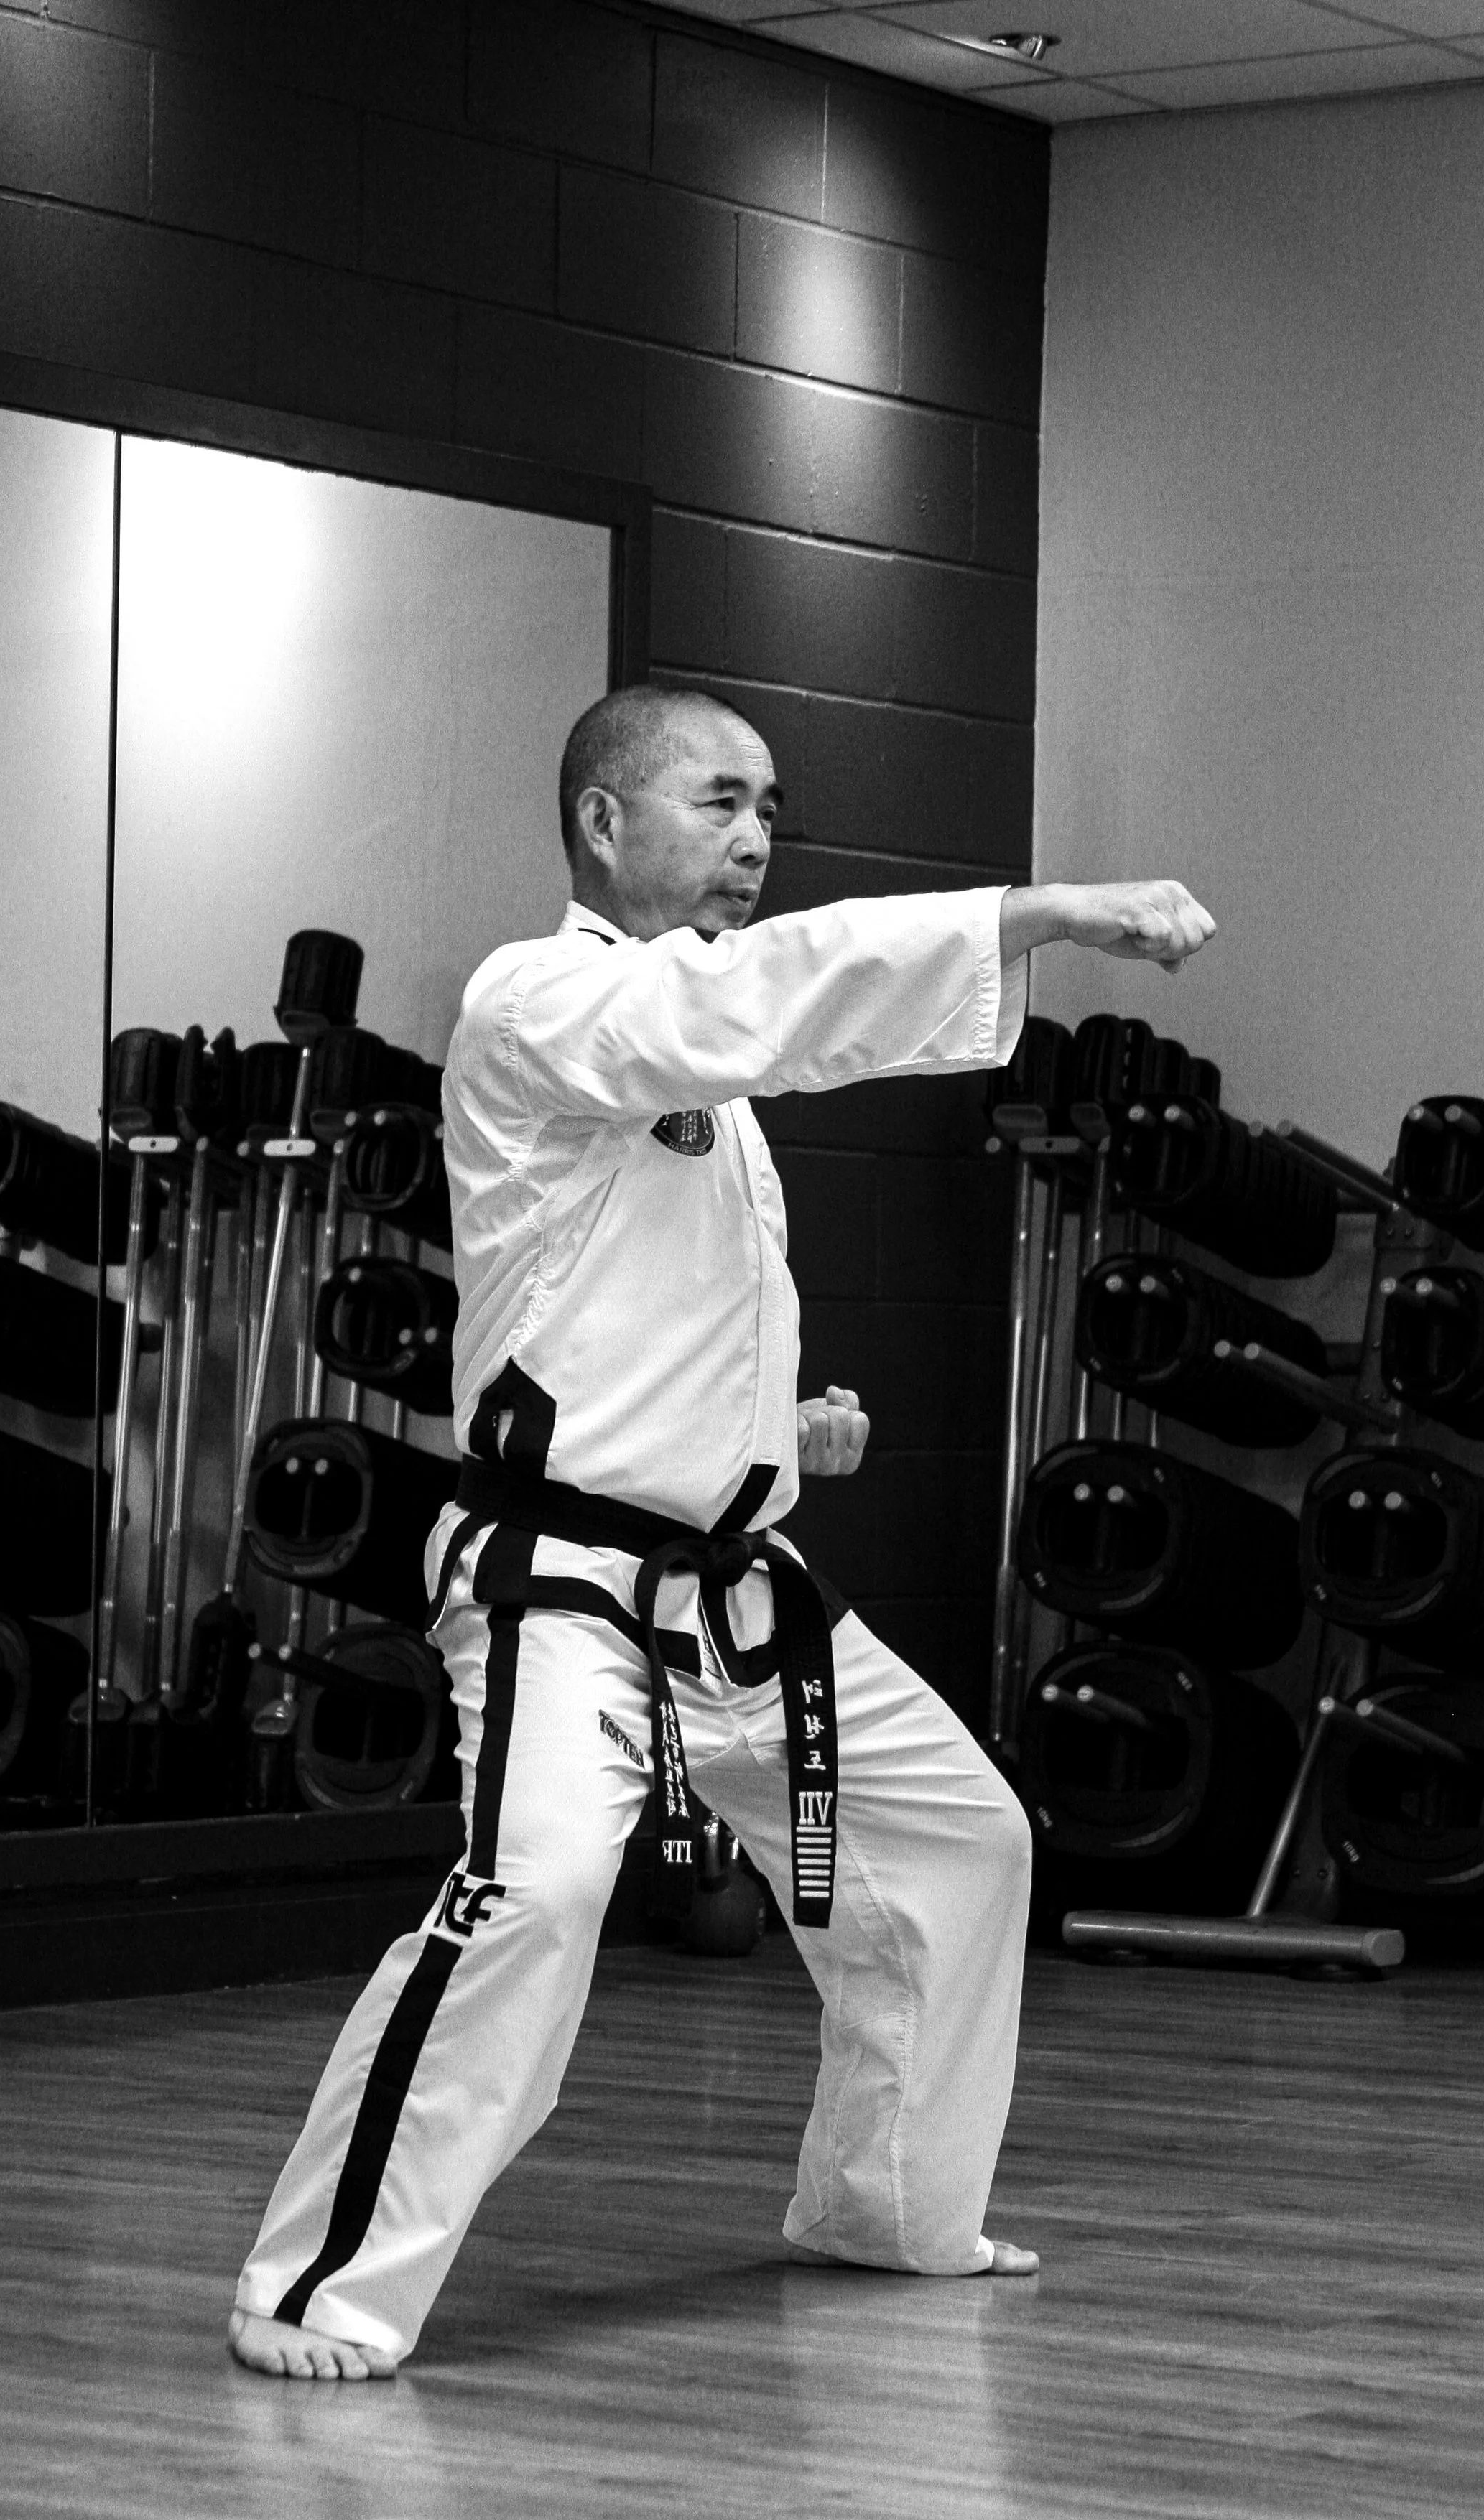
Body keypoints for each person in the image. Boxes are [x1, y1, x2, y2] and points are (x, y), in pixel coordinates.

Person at [229, 684, 1215, 2380]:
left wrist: (778, 1436)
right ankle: (319, 2289)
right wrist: (1026, 916)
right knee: (526, 1895)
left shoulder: (702, 1082)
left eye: (771, 809)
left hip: (730, 1587)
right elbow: (752, 1005)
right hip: (563, 1590)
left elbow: (622, 1318)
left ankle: (881, 2207)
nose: (756, 838)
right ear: (604, 824)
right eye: (717, 801)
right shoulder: (540, 998)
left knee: (959, 1844)